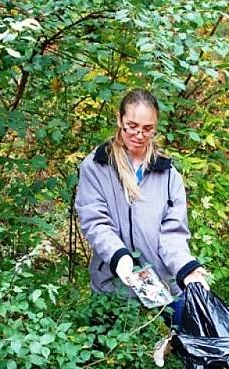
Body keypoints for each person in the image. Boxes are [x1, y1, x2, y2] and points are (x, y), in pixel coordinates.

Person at [75, 88, 209, 328]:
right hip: (112, 283)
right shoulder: (96, 166)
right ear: (119, 120)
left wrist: (186, 269)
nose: (139, 134)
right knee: (108, 357)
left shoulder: (168, 175)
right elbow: (95, 222)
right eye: (132, 126)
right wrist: (119, 256)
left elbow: (173, 234)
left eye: (148, 129)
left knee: (190, 338)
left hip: (161, 284)